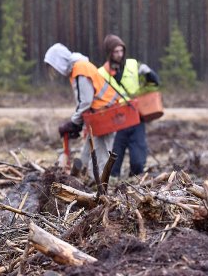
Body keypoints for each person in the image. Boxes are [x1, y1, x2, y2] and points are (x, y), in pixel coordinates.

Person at [44, 43, 120, 178]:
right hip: (99, 115)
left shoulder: (80, 69)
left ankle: (99, 192)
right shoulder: (79, 68)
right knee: (85, 157)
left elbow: (85, 101)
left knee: (99, 160)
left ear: (59, 61)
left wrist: (74, 123)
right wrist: (78, 124)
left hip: (105, 115)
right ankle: (83, 182)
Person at [99, 34, 159, 179]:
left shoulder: (133, 65)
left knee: (138, 163)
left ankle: (136, 185)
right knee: (113, 166)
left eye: (121, 51)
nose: (120, 54)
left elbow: (154, 83)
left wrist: (149, 73)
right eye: (115, 51)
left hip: (136, 118)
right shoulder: (101, 73)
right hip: (117, 121)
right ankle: (112, 191)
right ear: (109, 53)